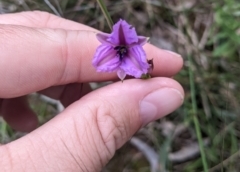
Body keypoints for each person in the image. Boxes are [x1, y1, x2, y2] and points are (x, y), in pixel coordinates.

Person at [0, 11, 184, 171]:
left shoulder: (127, 45)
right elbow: (101, 61)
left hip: (134, 58)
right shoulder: (114, 47)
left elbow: (124, 60)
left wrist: (141, 67)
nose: (120, 50)